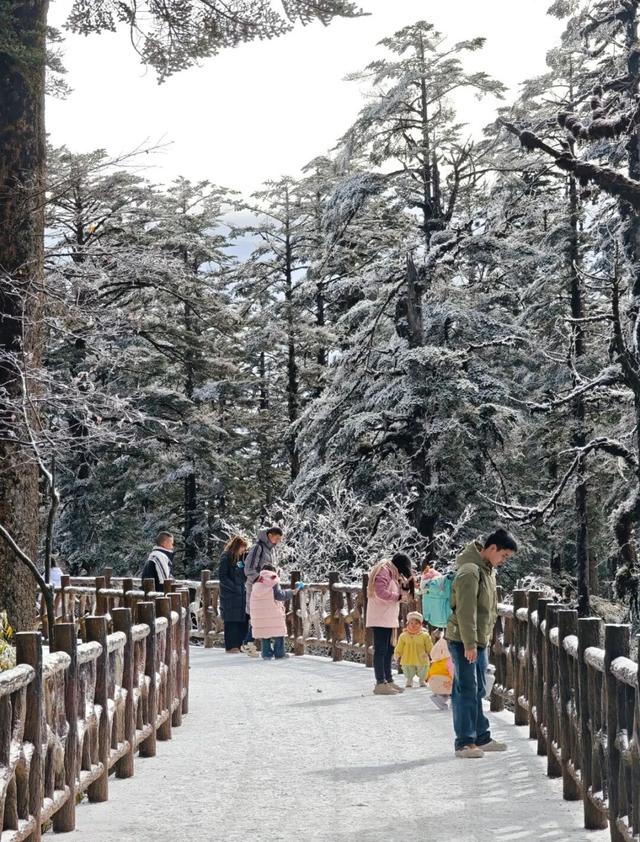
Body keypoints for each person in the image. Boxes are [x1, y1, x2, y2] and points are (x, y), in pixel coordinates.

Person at [446, 528, 517, 759]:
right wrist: (469, 644)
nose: (504, 561)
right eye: (504, 555)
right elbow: (466, 611)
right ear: (492, 548)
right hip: (464, 639)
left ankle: (480, 736)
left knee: (476, 689)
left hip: (477, 639)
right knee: (466, 689)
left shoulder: (487, 570)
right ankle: (464, 742)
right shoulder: (470, 571)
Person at [365, 552, 413, 695]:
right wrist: (398, 597)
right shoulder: (384, 571)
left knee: (389, 649)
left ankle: (388, 679)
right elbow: (380, 591)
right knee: (380, 650)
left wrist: (403, 589)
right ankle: (380, 682)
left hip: (387, 617)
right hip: (380, 617)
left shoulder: (391, 572)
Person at [249, 564, 304, 660]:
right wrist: (291, 592)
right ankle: (280, 654)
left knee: (265, 633)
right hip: (272, 612)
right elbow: (279, 595)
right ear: (273, 571)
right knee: (278, 632)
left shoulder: (257, 582)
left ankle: (266, 654)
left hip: (259, 614)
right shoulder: (272, 580)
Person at [217, 535, 249, 653]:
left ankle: (240, 645)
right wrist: (235, 588)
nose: (243, 551)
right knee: (231, 621)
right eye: (242, 548)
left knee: (242, 620)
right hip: (230, 596)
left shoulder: (240, 560)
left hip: (241, 595)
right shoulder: (226, 558)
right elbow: (223, 577)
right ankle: (231, 646)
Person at [244, 526, 284, 608]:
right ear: (269, 536)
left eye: (280, 539)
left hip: (265, 589)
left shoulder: (269, 550)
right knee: (255, 615)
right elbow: (249, 569)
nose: (278, 542)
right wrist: (260, 579)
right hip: (255, 588)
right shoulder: (258, 547)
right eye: (277, 538)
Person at [394, 610, 433, 688]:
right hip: (408, 657)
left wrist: (430, 653)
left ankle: (422, 680)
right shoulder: (404, 635)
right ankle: (409, 679)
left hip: (421, 657)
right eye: (411, 623)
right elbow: (400, 646)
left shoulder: (424, 635)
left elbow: (429, 646)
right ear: (408, 623)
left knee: (423, 669)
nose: (413, 625)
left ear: (420, 624)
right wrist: (397, 653)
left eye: (416, 623)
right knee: (408, 668)